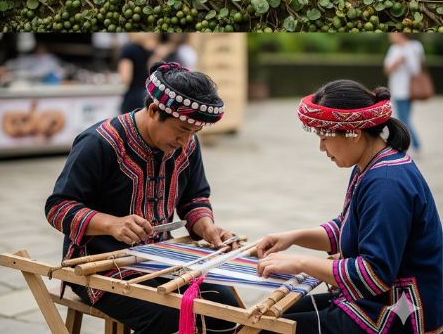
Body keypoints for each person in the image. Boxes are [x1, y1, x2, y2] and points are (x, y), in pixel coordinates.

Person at [45, 62, 242, 332]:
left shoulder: (187, 145)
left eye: (194, 133)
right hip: (98, 266)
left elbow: (195, 198)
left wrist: (205, 226)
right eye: (182, 130)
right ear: (153, 111)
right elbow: (58, 208)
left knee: (228, 311)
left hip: (164, 258)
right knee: (171, 319)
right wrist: (111, 224)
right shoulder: (99, 142)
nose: (186, 141)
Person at [257, 80, 442, 333]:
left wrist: (301, 263)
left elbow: (373, 274)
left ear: (354, 133)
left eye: (324, 137)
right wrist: (293, 237)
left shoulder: (386, 183)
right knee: (269, 317)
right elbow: (348, 227)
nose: (321, 148)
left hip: (396, 313)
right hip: (378, 301)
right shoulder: (371, 165)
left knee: (268, 327)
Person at [384, 33, 425, 151]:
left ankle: (409, 144)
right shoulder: (393, 48)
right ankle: (414, 144)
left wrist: (406, 60)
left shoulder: (415, 46)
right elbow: (387, 69)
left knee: (403, 119)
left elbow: (417, 69)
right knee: (404, 118)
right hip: (397, 89)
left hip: (410, 89)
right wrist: (397, 62)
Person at [117, 33, 156, 113]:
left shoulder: (128, 50)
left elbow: (126, 78)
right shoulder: (150, 51)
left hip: (133, 96)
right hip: (147, 94)